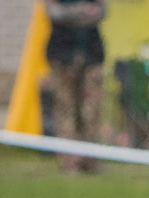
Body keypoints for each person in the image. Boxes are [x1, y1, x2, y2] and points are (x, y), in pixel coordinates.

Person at [45, 0, 106, 173]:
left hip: (92, 55)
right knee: (66, 111)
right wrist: (83, 11)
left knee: (91, 112)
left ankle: (89, 161)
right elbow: (54, 13)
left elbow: (101, 12)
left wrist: (70, 14)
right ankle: (70, 162)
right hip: (62, 55)